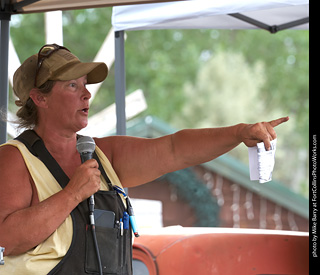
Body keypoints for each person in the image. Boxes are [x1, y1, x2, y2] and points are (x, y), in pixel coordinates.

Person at [0, 44, 289, 275]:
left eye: (85, 84)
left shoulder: (103, 154)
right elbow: (5, 239)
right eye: (72, 86)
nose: (87, 94)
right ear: (40, 99)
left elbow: (175, 149)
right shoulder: (15, 158)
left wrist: (238, 133)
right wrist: (72, 194)